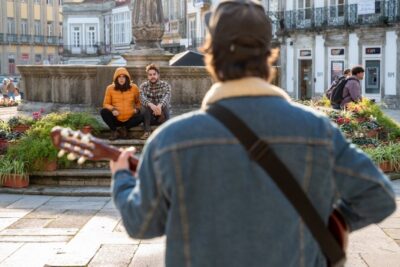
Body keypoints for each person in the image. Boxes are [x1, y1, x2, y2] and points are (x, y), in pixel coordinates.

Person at [110, 1, 396, 266]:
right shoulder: (317, 130)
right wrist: (330, 221)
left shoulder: (172, 139)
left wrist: (122, 176)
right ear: (268, 57)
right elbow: (378, 196)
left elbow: (141, 223)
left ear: (212, 58)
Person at [100, 67, 143, 140]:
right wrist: (113, 109)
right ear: (116, 78)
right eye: (119, 77)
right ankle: (114, 131)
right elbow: (105, 104)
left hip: (129, 119)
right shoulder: (110, 88)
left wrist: (137, 110)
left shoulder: (134, 87)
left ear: (127, 78)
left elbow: (139, 103)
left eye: (123, 77)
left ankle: (124, 129)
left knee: (142, 115)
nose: (121, 79)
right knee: (103, 111)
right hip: (116, 119)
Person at [139, 63, 171, 140]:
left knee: (166, 106)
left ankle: (167, 132)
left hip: (162, 115)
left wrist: (159, 106)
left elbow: (166, 97)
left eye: (154, 74)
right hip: (149, 117)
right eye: (150, 75)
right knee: (144, 106)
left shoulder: (165, 85)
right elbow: (142, 98)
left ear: (158, 75)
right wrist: (151, 105)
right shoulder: (143, 86)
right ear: (147, 76)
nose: (152, 76)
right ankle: (147, 132)